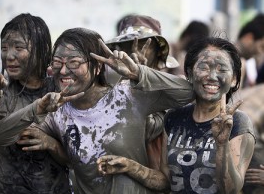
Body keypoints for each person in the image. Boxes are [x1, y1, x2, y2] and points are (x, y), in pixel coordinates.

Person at [0, 27, 195, 194]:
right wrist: (37, 108)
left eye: (74, 63)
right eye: (57, 63)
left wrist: (138, 72)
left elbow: (190, 92)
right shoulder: (56, 113)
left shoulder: (128, 96)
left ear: (97, 68)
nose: (63, 70)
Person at [97, 37, 256, 194]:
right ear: (189, 74)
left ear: (234, 79)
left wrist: (222, 144)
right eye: (204, 67)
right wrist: (130, 166)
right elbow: (166, 181)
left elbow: (230, 189)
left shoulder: (237, 122)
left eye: (222, 69)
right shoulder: (175, 117)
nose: (212, 76)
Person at [0, 13, 75, 193]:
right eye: (4, 47)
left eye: (19, 47)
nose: (9, 55)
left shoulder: (59, 92)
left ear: (41, 50)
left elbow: (77, 160)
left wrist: (50, 143)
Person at [106, 14, 179, 171]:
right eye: (128, 43)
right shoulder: (108, 88)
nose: (135, 50)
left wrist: (140, 80)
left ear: (157, 51)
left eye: (143, 44)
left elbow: (146, 131)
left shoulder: (168, 90)